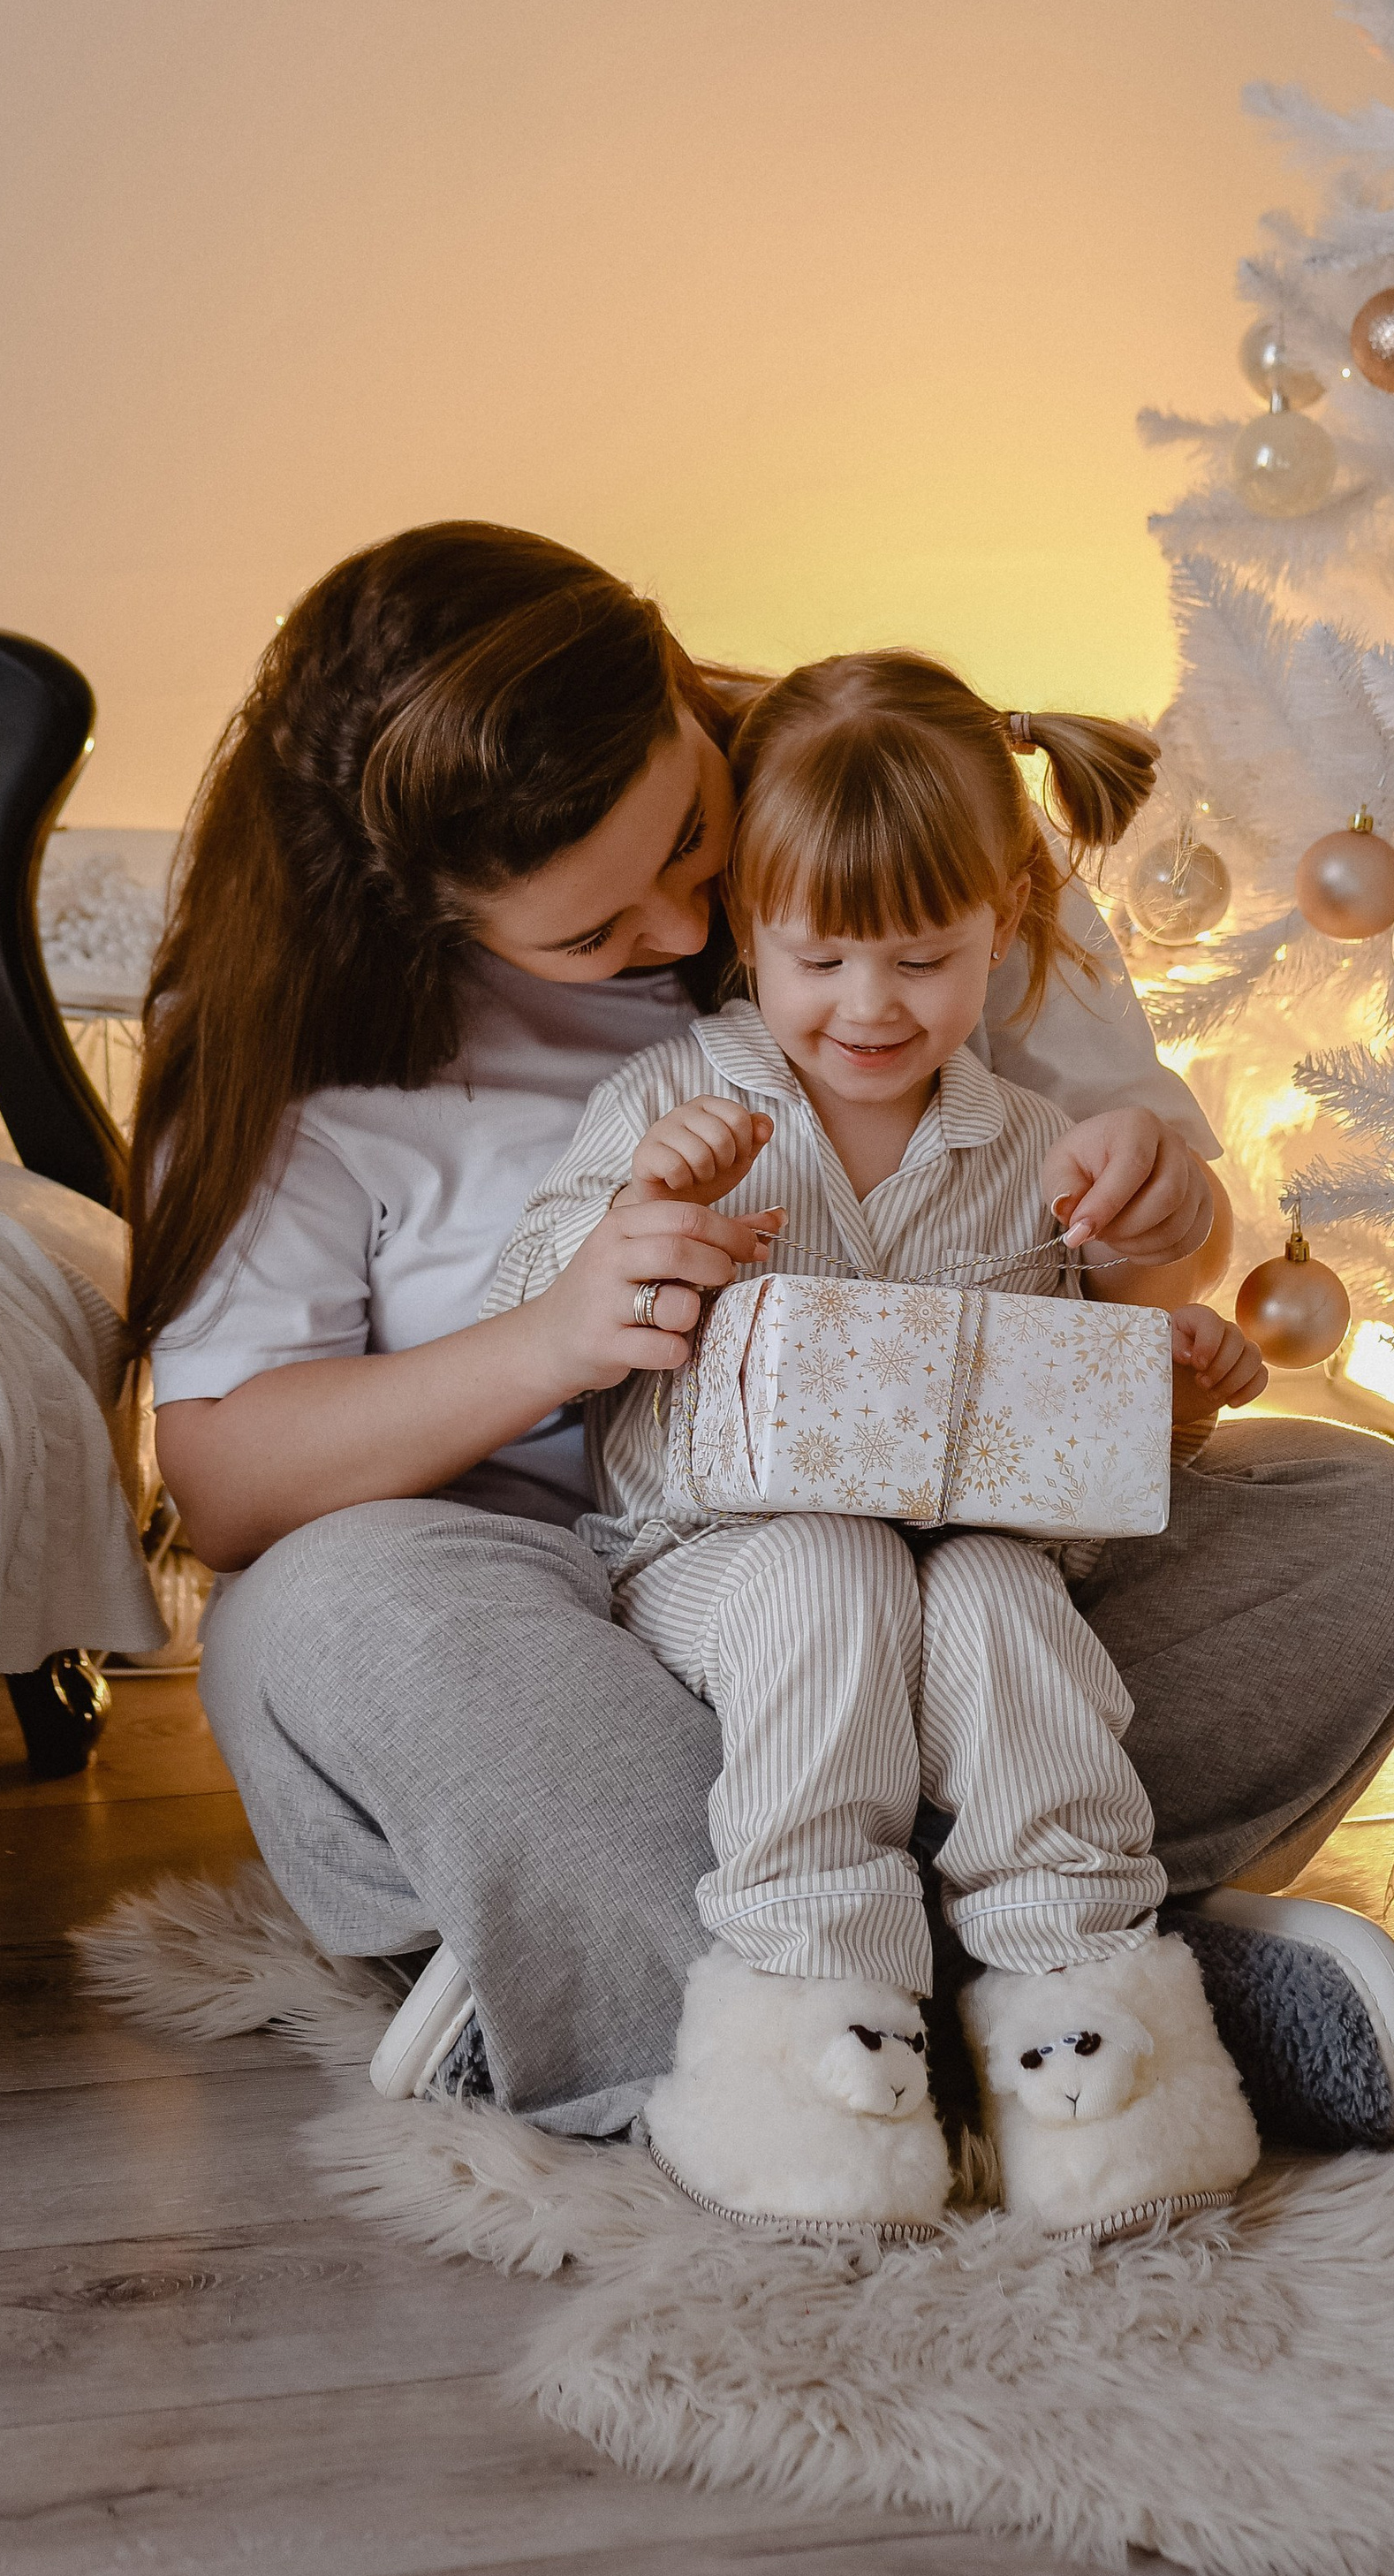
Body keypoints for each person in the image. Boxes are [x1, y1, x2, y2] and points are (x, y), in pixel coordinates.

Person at [140, 521, 1394, 2152]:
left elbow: (1144, 1274)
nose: (695, 924)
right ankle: (1051, 2004)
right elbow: (220, 1481)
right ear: (427, 917)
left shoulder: (884, 819)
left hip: (950, 1583)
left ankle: (715, 1988)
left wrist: (1153, 1266)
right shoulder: (302, 1032)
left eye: (693, 835)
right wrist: (556, 1337)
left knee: (1365, 1516)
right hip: (570, 1617)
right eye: (596, 937)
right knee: (361, 1605)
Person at [481, 650, 1264, 2238]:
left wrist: (1176, 1343)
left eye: (923, 958)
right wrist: (647, 1216)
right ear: (746, 935)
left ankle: (1081, 2020)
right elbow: (537, 1318)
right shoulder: (671, 1102)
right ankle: (808, 2021)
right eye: (819, 957)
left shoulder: (1038, 1149)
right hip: (724, 1561)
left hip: (980, 1546)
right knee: (827, 1577)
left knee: (998, 1610)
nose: (870, 1006)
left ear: (1005, 935)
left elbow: (1091, 1392)